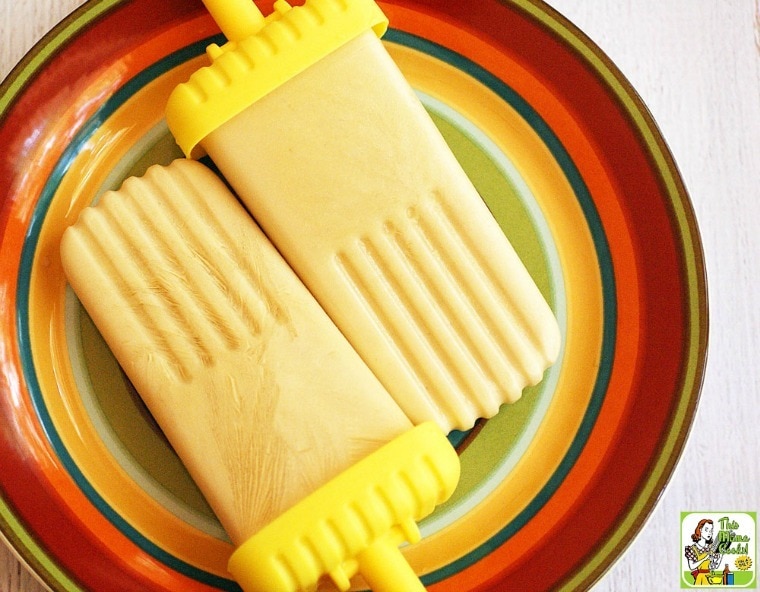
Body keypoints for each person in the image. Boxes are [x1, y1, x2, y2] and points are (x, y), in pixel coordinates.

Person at [684, 519, 723, 585]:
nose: (709, 533)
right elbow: (692, 567)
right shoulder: (691, 549)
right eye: (706, 530)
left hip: (710, 578)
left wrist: (721, 553)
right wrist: (705, 558)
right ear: (700, 530)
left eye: (711, 531)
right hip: (700, 579)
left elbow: (715, 566)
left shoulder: (711, 547)